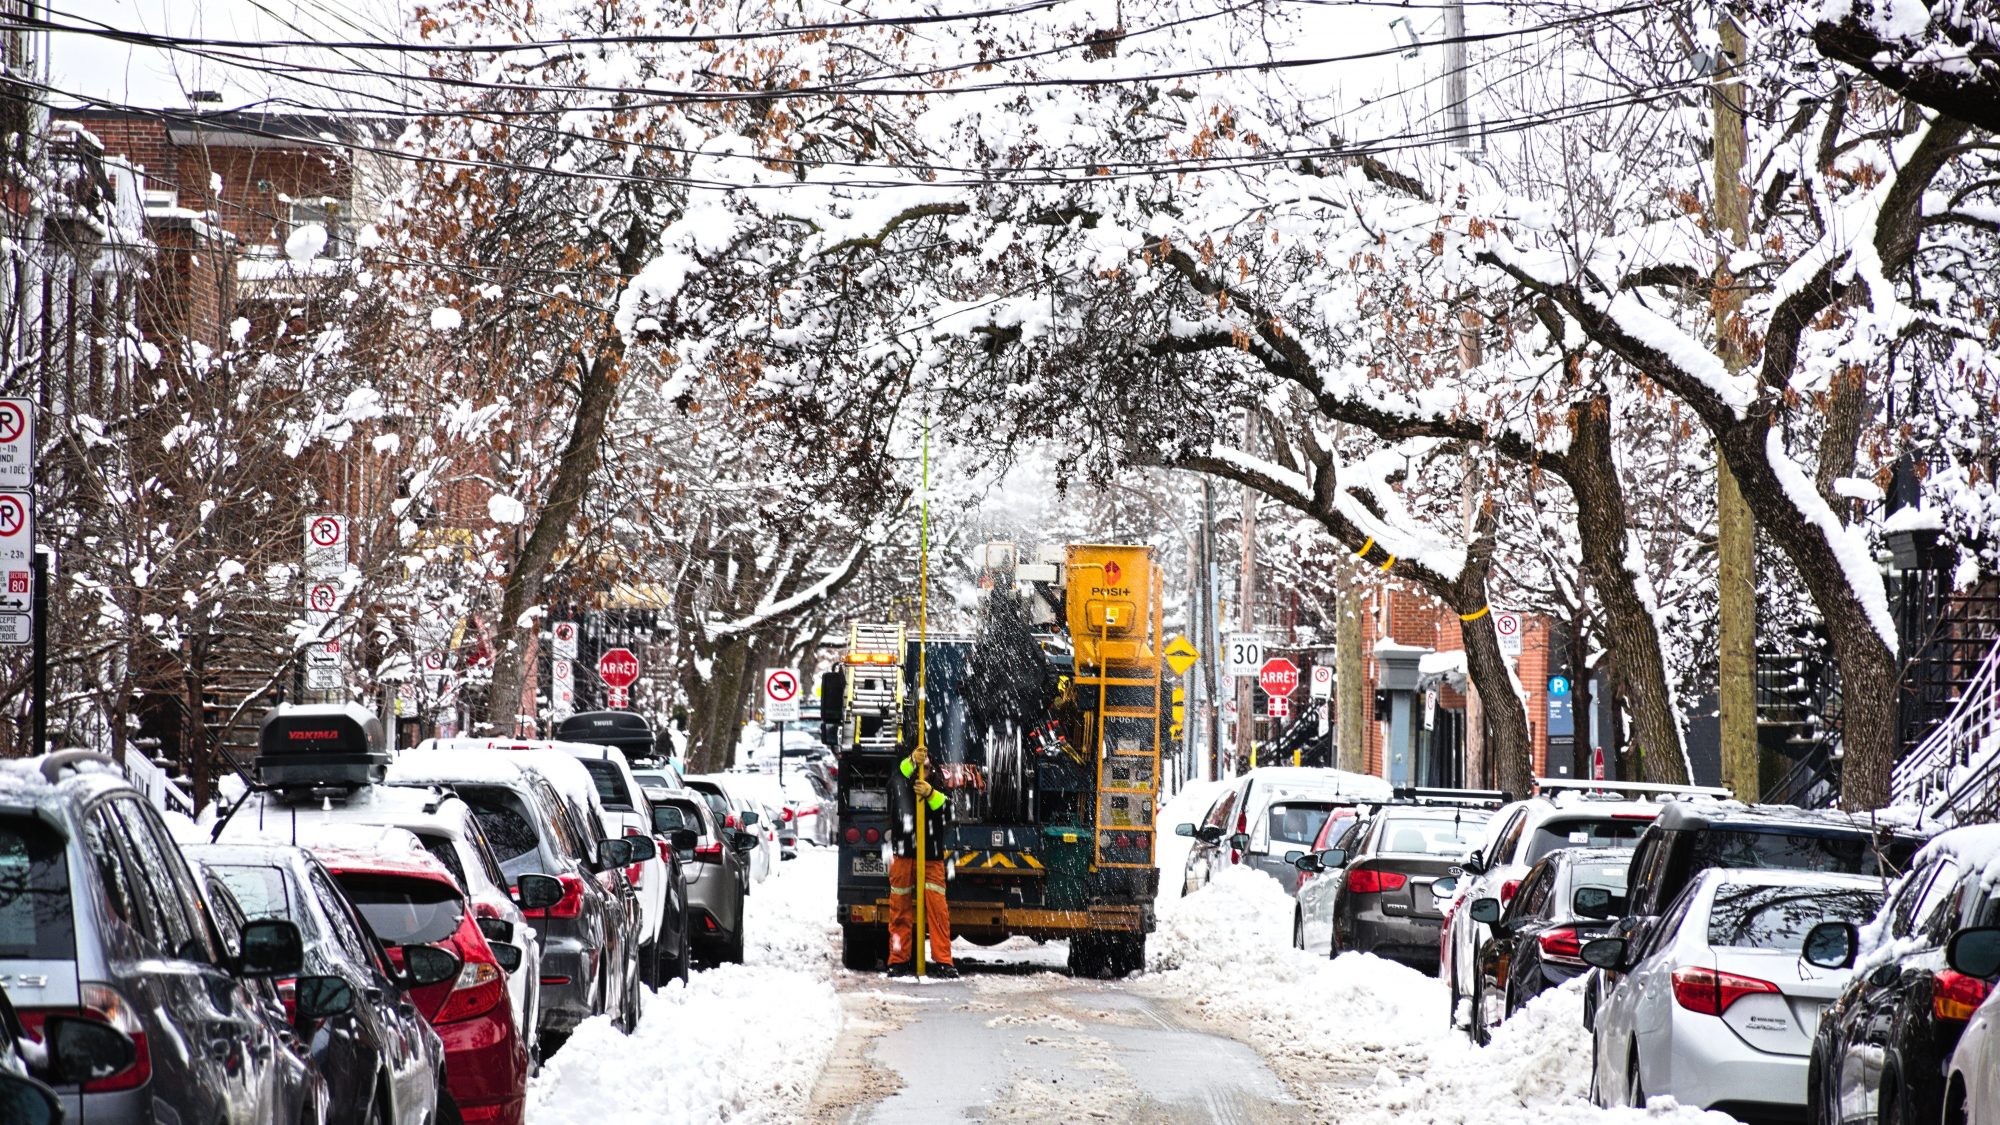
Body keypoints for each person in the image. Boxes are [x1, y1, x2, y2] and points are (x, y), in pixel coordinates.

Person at [887, 745, 956, 978]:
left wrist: (931, 794)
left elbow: (949, 812)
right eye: (919, 763)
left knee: (938, 911)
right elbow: (893, 785)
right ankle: (898, 960)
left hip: (931, 855)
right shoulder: (902, 779)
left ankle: (944, 961)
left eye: (925, 765)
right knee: (899, 910)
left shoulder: (936, 783)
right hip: (904, 853)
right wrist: (909, 762)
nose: (922, 768)